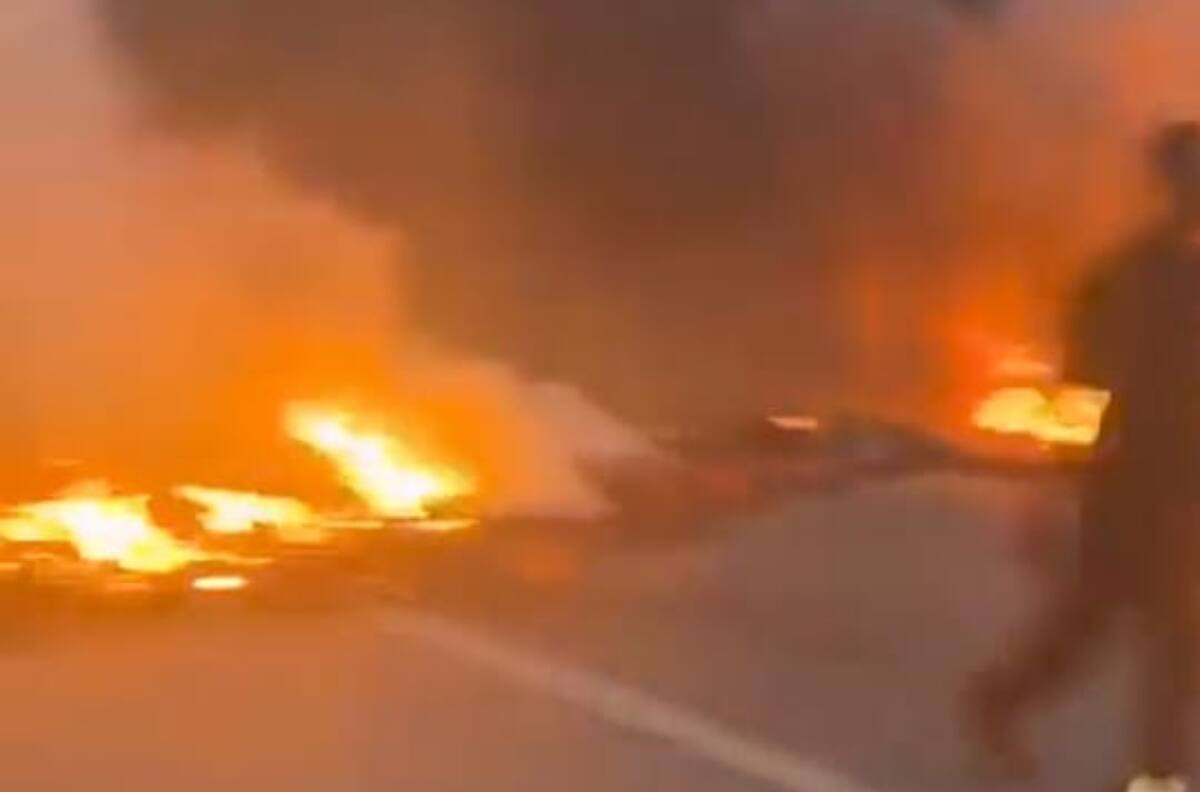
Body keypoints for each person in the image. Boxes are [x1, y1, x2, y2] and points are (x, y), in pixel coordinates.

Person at [966, 120, 1200, 792]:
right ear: (1172, 185)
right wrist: (1053, 488)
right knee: (1126, 626)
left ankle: (1007, 703)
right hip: (1128, 479)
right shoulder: (1125, 279)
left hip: (1183, 482)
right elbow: (1080, 391)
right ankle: (1154, 773)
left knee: (1156, 629)